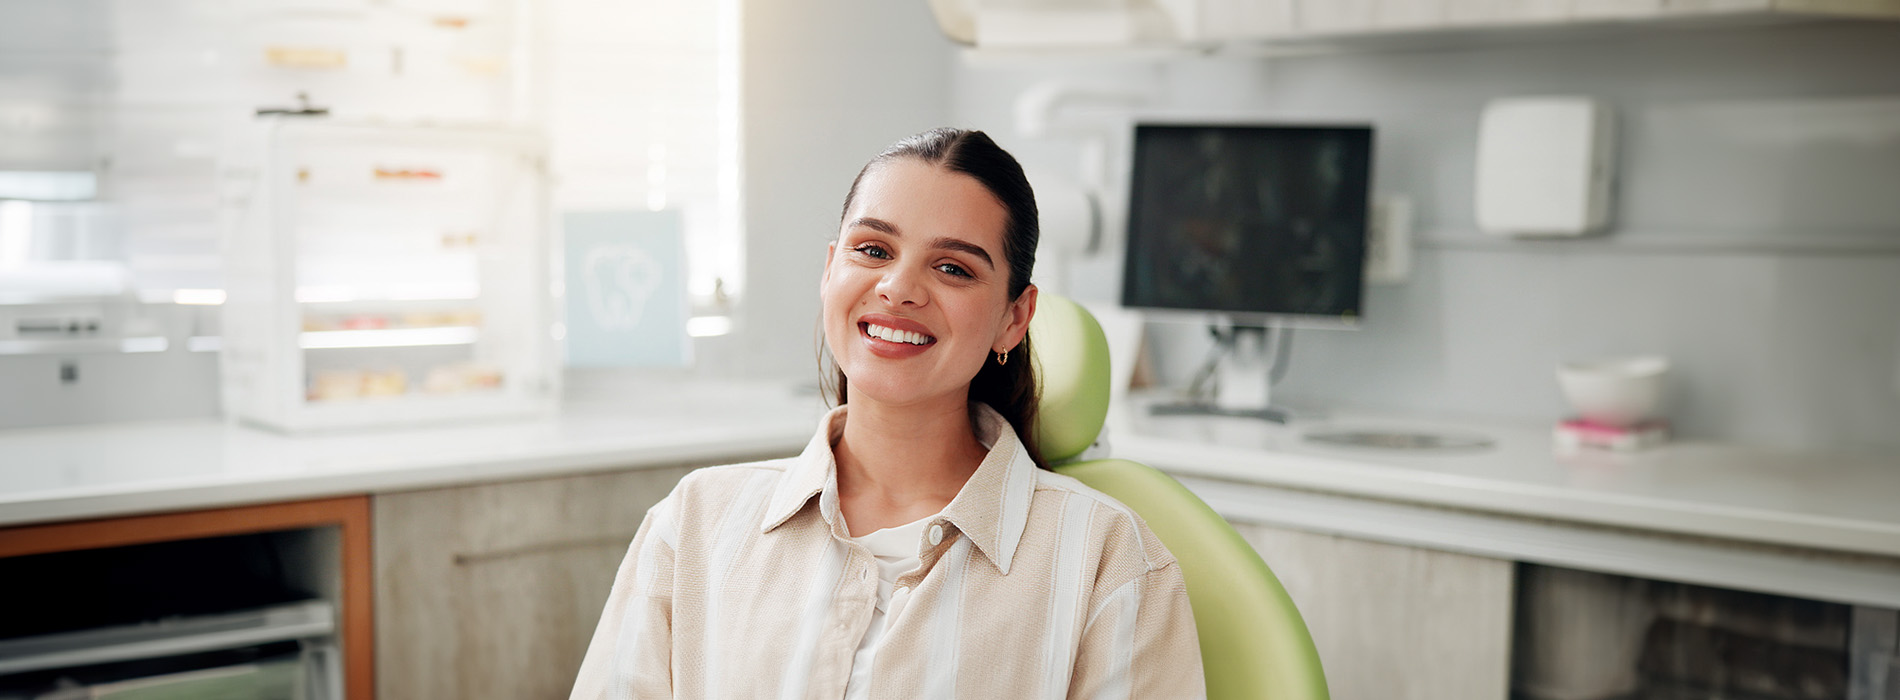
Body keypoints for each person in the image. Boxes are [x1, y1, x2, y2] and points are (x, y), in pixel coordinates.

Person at [569, 128, 1204, 699]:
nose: (898, 287)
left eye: (953, 268)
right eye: (873, 250)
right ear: (829, 272)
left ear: (1014, 317)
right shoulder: (696, 523)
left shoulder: (1108, 557)